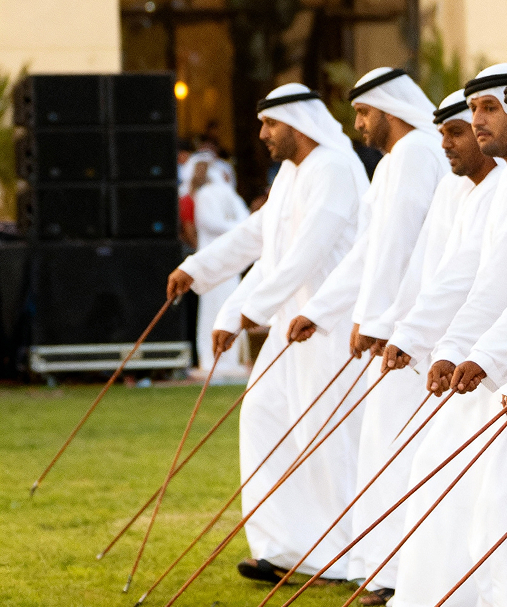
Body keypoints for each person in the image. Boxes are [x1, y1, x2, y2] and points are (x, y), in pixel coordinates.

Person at [166, 83, 369, 582]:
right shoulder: (292, 175)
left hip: (329, 322)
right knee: (264, 419)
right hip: (289, 325)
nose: (262, 134)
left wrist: (244, 312)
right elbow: (261, 239)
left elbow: (306, 254)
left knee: (326, 437)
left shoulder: (335, 168)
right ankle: (282, 547)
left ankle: (344, 554)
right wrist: (198, 269)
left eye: (270, 124)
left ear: (298, 123)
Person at [275, 67, 446, 603]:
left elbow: (399, 243)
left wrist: (374, 321)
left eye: (365, 113)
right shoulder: (394, 161)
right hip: (395, 324)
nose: (358, 124)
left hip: (414, 329)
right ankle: (381, 567)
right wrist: (323, 310)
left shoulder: (417, 152)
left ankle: (396, 572)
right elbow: (369, 248)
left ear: (390, 111)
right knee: (379, 447)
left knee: (394, 449)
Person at [384, 89, 507, 607]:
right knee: (436, 476)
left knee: (481, 496)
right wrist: (407, 332)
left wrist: (434, 340)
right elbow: (434, 271)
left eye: (457, 132)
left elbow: (496, 279)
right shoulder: (466, 191)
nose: (449, 143)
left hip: (498, 365)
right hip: (462, 356)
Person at [190, 159, 251, 378]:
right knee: (213, 310)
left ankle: (228, 358)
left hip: (229, 263)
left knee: (230, 306)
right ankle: (212, 357)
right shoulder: (207, 194)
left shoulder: (225, 194)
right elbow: (209, 221)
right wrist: (238, 229)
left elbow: (245, 218)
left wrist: (238, 228)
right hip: (213, 263)